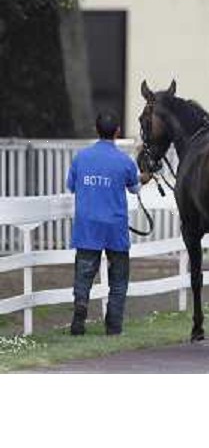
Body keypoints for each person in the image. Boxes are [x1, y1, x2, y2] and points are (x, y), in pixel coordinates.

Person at [66, 111, 151, 336]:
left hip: (87, 227)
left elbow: (72, 186)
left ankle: (80, 312)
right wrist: (144, 177)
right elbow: (134, 188)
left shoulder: (81, 158)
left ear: (97, 130)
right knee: (119, 280)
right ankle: (113, 327)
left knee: (83, 275)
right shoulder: (124, 161)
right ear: (117, 132)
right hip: (115, 228)